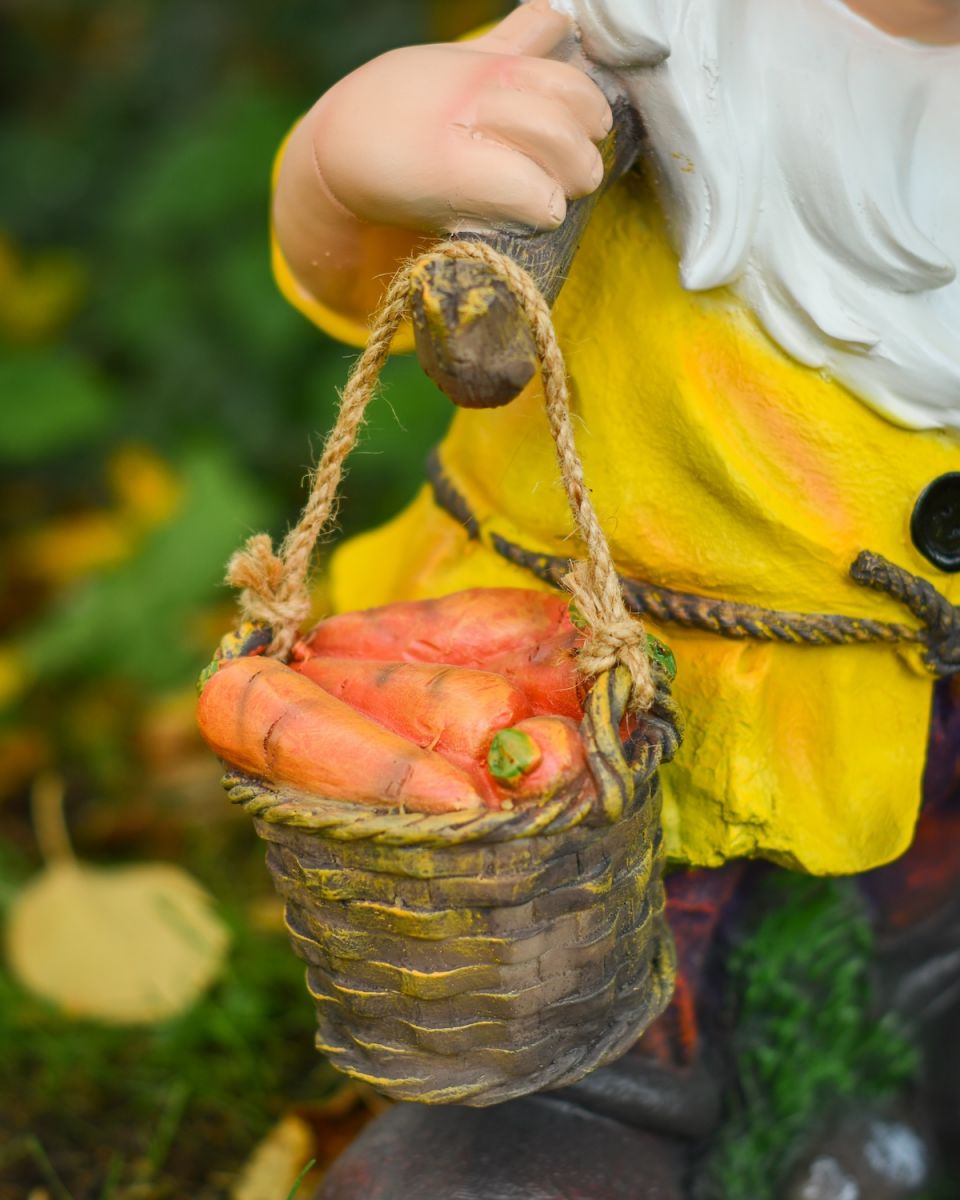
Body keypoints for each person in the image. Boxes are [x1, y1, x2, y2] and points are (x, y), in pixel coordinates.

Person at [268, 1, 960, 1194]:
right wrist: (341, 167)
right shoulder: (649, 52)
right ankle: (596, 1086)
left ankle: (897, 1022)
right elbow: (404, 287)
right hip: (617, 713)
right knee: (601, 948)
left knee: (902, 957)